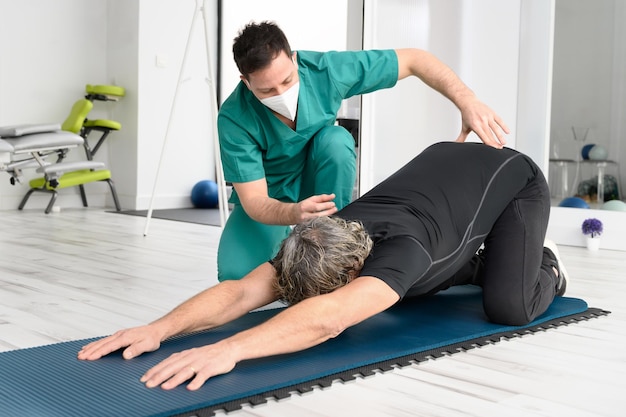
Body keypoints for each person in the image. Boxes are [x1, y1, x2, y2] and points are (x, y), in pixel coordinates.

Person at [78, 141, 568, 392]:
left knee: (509, 306)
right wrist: (159, 328)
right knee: (405, 290)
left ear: (355, 270)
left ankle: (541, 266)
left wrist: (227, 351)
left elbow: (330, 319)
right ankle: (481, 265)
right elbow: (241, 293)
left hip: (511, 177)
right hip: (443, 169)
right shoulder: (319, 237)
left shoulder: (404, 251)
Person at [216, 21, 511, 281]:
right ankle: (284, 238)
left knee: (335, 140)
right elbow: (255, 201)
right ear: (246, 83)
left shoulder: (324, 71)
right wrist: (293, 213)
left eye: (287, 81)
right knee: (234, 275)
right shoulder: (234, 117)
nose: (281, 94)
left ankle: (336, 241)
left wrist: (468, 102)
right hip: (271, 197)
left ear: (294, 60)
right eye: (267, 91)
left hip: (318, 178)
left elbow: (414, 60)